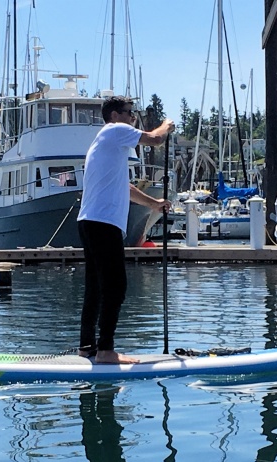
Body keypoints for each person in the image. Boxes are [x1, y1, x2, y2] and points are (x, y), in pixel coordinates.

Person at [77, 96, 175, 364]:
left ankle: (87, 347)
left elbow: (125, 188)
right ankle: (106, 351)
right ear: (114, 115)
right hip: (103, 223)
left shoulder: (107, 144)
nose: (133, 118)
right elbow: (155, 139)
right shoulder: (115, 130)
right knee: (115, 286)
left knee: (96, 287)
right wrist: (166, 125)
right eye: (130, 113)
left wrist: (155, 203)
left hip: (89, 221)